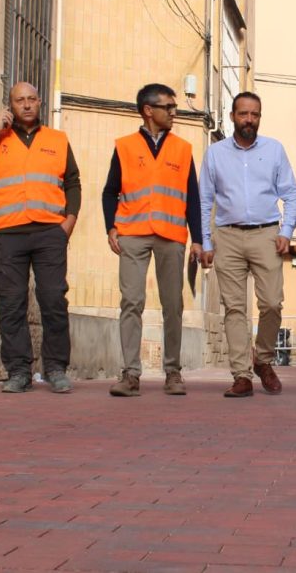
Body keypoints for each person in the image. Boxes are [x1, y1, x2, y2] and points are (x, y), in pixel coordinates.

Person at [0, 81, 80, 394]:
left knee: (53, 299)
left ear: (40, 102)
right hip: (9, 233)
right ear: (10, 106)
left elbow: (73, 183)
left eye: (32, 99)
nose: (27, 105)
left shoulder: (57, 139)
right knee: (11, 303)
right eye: (20, 101)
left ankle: (56, 368)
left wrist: (67, 224)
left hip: (49, 232)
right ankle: (18, 371)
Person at [102, 84, 202, 397]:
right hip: (131, 234)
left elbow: (193, 198)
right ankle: (131, 374)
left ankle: (173, 372)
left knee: (173, 305)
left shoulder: (183, 149)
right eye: (168, 107)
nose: (174, 112)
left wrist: (198, 239)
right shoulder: (125, 146)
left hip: (171, 236)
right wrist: (111, 227)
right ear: (148, 110)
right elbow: (110, 191)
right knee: (131, 302)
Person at [200, 92, 296, 398]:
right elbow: (205, 200)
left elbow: (292, 194)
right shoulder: (215, 154)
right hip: (227, 236)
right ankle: (241, 375)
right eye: (243, 114)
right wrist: (205, 241)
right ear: (232, 116)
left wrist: (286, 230)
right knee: (234, 308)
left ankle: (264, 360)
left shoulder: (274, 150)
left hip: (266, 235)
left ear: (260, 117)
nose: (249, 120)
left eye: (254, 115)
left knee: (272, 303)